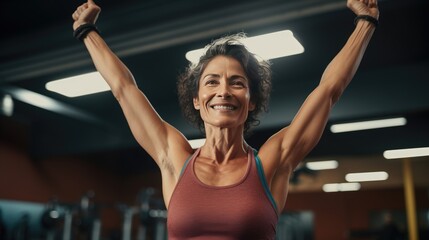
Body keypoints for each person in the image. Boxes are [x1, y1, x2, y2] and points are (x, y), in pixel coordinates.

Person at [72, 0, 379, 239]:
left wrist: (365, 22)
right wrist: (87, 31)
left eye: (237, 83)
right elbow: (124, 89)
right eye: (211, 82)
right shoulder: (174, 158)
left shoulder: (272, 162)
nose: (224, 92)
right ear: (196, 99)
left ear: (252, 99)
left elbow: (328, 91)